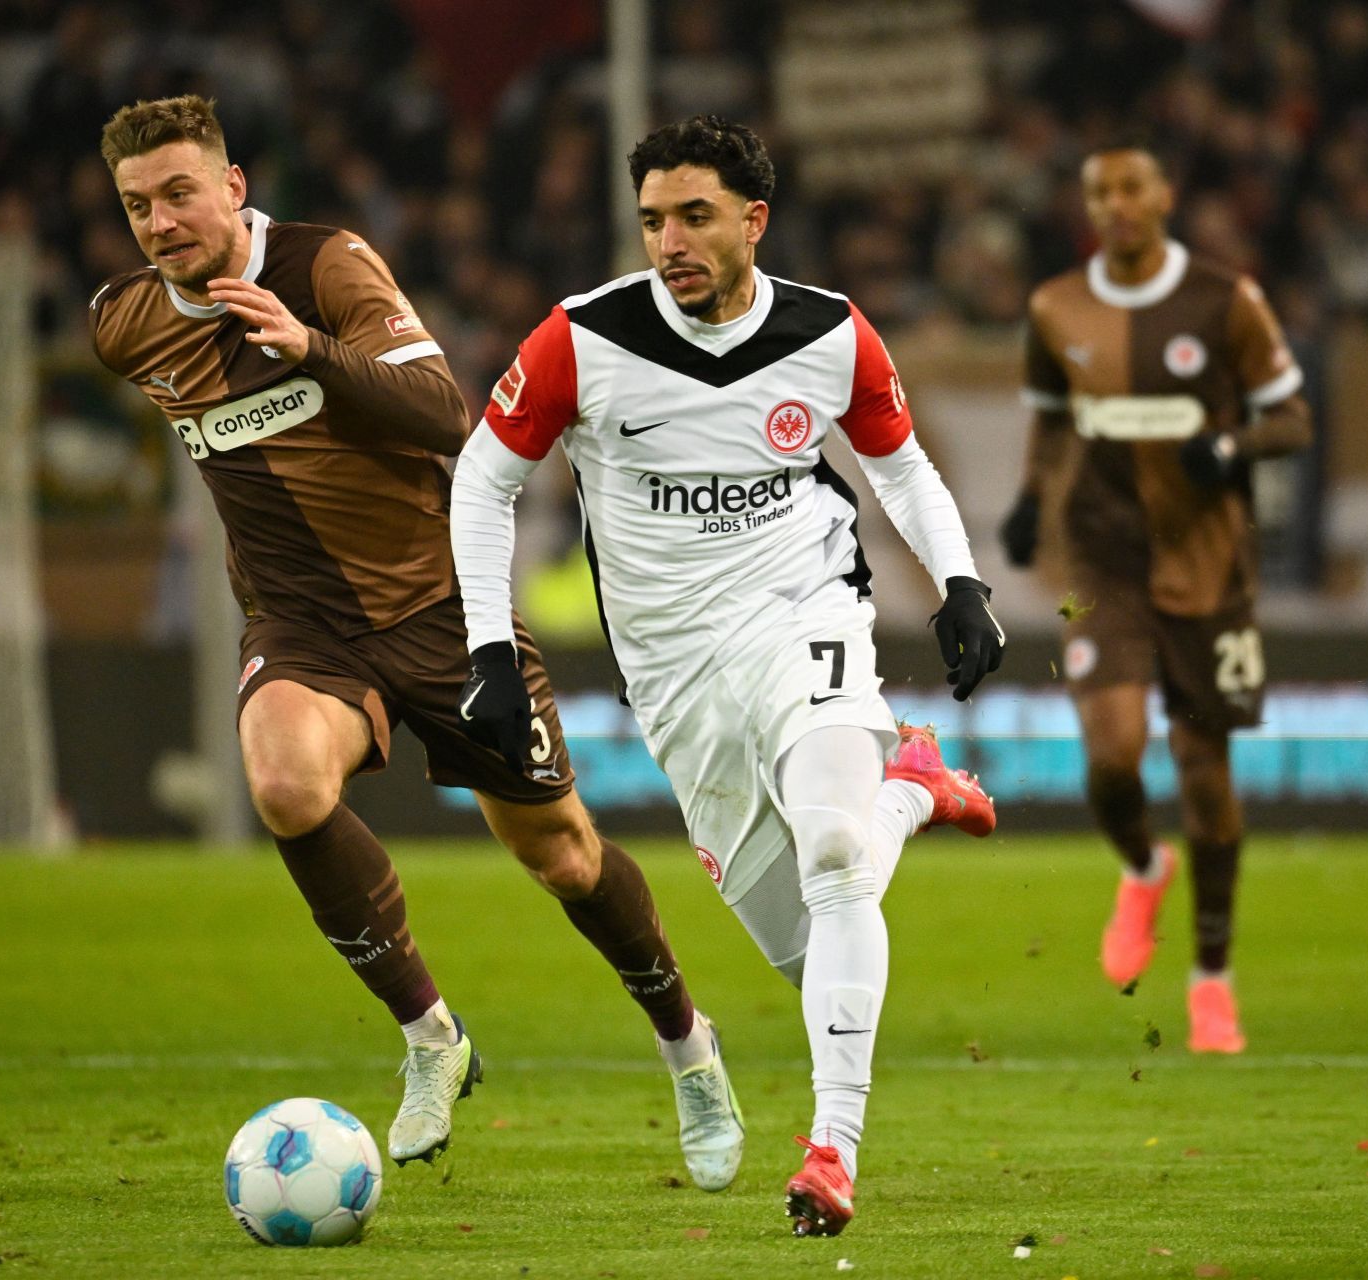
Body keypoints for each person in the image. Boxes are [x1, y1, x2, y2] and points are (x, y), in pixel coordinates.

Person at [87, 96, 743, 1187]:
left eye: (179, 194)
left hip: (442, 608)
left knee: (564, 856)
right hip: (302, 624)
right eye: (136, 205)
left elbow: (447, 412)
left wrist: (309, 350)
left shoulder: (327, 267)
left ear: (234, 187)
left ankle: (689, 1045)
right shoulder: (126, 324)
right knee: (285, 784)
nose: (159, 222)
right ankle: (432, 1036)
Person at [449, 116, 1005, 1238]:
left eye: (694, 216)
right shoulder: (579, 340)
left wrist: (960, 582)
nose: (670, 242)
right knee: (808, 949)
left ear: (754, 221)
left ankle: (832, 1152)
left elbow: (901, 467)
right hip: (673, 672)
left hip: (805, 611)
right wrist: (490, 650)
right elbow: (482, 481)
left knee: (834, 855)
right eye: (652, 220)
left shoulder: (831, 333)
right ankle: (911, 790)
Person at [997, 143, 1313, 1054]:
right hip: (1104, 563)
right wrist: (1030, 498)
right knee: (1113, 757)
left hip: (1207, 565)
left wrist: (1232, 448)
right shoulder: (1056, 306)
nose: (1116, 204)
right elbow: (1051, 417)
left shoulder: (1225, 300)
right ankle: (1143, 866)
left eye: (1132, 186)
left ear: (1165, 194)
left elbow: (1293, 418)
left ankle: (1212, 978)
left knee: (1205, 772)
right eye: (1100, 191)